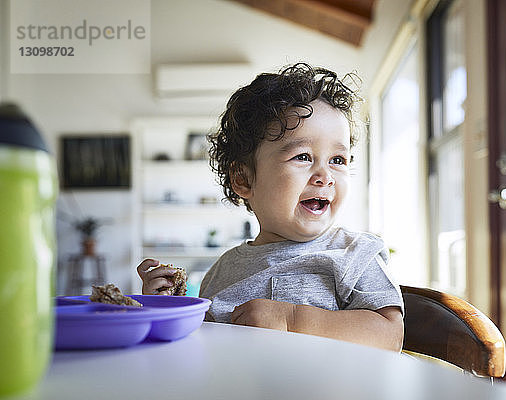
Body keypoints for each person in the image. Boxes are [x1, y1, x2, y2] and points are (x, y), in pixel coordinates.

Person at [137, 63, 404, 351]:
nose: (325, 176)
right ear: (243, 179)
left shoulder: (356, 255)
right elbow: (205, 345)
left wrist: (290, 320)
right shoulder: (222, 270)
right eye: (303, 157)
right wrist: (170, 309)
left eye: (338, 160)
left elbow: (390, 336)